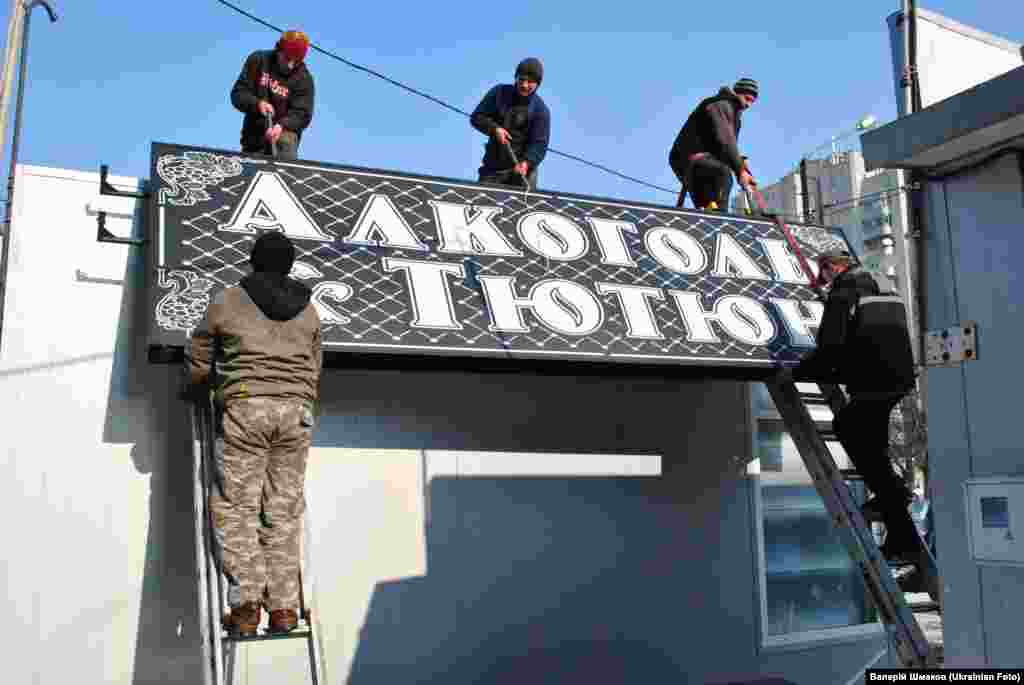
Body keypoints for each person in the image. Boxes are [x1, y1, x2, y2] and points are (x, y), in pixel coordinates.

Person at [186, 232, 323, 636]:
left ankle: (246, 607)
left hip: (246, 408)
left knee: (237, 507)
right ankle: (283, 608)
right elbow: (315, 365)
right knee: (282, 509)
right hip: (295, 414)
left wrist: (198, 384)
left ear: (251, 260)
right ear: (290, 265)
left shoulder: (229, 300)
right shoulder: (309, 310)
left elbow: (199, 352)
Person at [779, 248, 920, 561]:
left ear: (830, 268)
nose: (825, 282)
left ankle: (894, 496)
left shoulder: (844, 291)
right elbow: (870, 334)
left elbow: (831, 347)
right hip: (897, 379)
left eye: (825, 276)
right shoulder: (883, 284)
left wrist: (797, 372)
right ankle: (901, 533)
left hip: (871, 382)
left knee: (848, 428)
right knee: (875, 453)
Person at [669, 78, 758, 211]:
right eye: (747, 98)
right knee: (723, 174)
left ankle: (709, 218)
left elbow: (727, 149)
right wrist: (739, 170)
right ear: (737, 93)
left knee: (707, 205)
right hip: (689, 157)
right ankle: (721, 220)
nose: (748, 105)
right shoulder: (721, 105)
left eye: (752, 101)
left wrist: (741, 167)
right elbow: (726, 141)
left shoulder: (736, 118)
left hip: (703, 162)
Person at [231, 30, 316, 160]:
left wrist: (281, 125)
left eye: (296, 61)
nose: (290, 65)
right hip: (254, 140)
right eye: (287, 58)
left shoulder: (304, 79)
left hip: (283, 142)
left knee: (284, 140)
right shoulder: (259, 60)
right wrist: (257, 104)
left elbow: (302, 114)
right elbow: (238, 93)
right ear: (278, 50)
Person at [470, 57, 551, 189]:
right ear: (515, 78)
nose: (524, 85)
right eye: (521, 79)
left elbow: (539, 145)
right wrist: (495, 129)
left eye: (530, 82)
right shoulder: (499, 93)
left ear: (537, 84)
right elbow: (476, 117)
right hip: (492, 171)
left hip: (522, 174)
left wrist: (525, 163)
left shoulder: (541, 111)